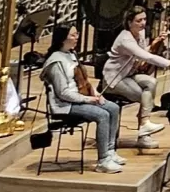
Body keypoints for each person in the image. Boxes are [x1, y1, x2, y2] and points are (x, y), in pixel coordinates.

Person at [42, 23, 126, 172]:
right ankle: (103, 160)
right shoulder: (55, 62)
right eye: (73, 35)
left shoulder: (71, 54)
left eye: (77, 34)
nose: (76, 38)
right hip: (65, 105)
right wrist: (88, 100)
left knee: (113, 108)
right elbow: (63, 93)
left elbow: (83, 79)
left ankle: (110, 151)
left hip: (80, 98)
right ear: (62, 39)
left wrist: (95, 93)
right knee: (102, 115)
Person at [103, 5, 170, 147]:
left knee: (151, 83)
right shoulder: (125, 39)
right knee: (144, 97)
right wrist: (167, 63)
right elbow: (144, 56)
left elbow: (141, 53)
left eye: (144, 19)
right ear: (129, 22)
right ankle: (144, 128)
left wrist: (156, 42)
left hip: (129, 74)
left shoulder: (140, 35)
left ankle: (144, 128)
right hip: (114, 79)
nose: (143, 23)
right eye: (139, 20)